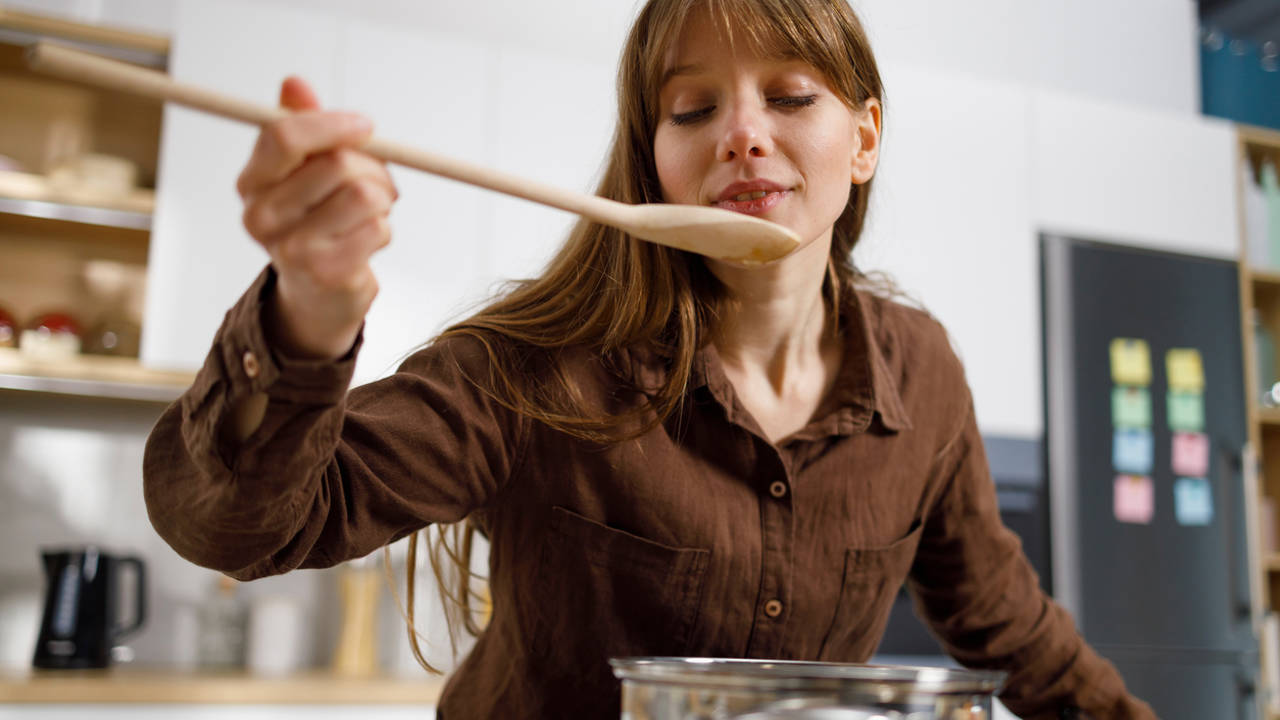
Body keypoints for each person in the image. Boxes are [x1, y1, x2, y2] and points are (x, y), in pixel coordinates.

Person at [143, 0, 1156, 717]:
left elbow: (1009, 630)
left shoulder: (922, 373)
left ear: (862, 138)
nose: (742, 136)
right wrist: (310, 307)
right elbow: (239, 527)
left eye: (791, 95)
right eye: (691, 108)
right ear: (653, 158)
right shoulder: (535, 369)